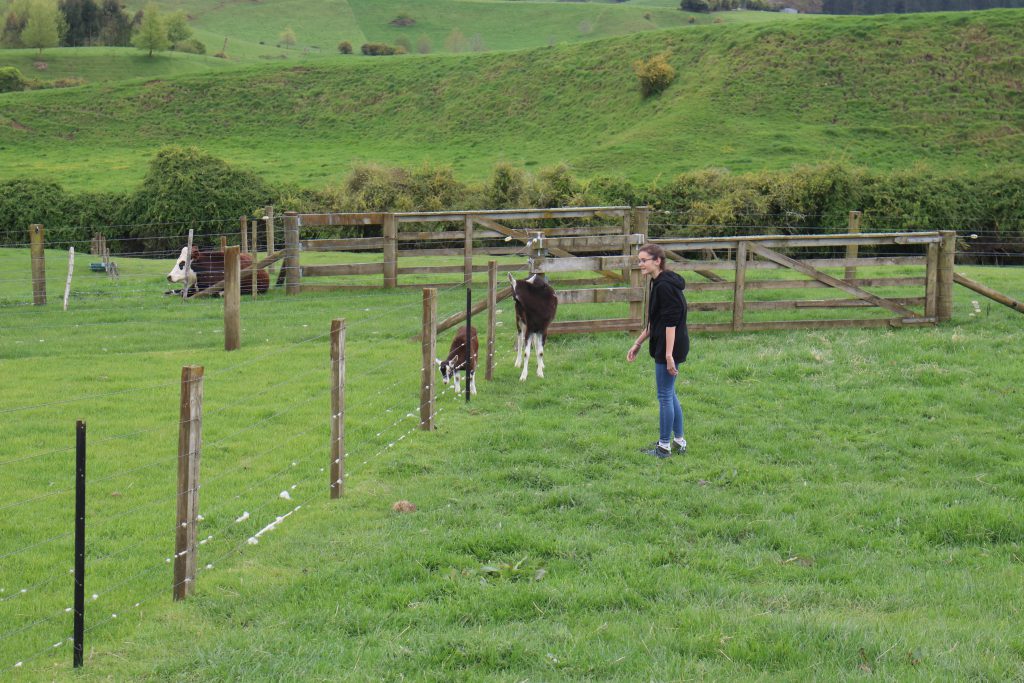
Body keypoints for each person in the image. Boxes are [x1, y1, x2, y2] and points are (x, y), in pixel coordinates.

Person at [626, 244, 689, 459]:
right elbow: (656, 320)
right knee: (670, 393)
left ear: (657, 261)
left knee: (664, 395)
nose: (640, 264)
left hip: (669, 344)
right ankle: (679, 441)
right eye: (639, 260)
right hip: (669, 343)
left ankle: (664, 447)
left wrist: (668, 355)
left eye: (644, 260)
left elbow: (670, 323)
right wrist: (639, 342)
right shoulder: (660, 282)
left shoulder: (664, 286)